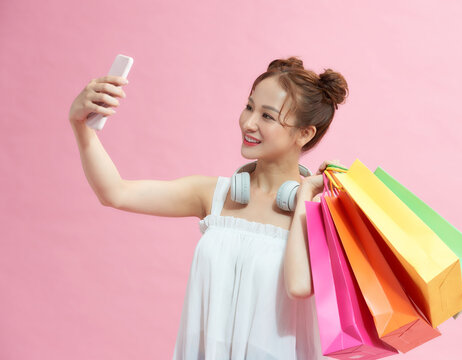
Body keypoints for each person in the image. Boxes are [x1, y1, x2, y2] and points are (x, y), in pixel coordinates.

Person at [68, 56, 349, 359]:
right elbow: (115, 192)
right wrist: (81, 125)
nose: (249, 123)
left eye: (267, 116)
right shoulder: (213, 195)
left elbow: (299, 286)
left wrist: (306, 196)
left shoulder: (319, 214)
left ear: (305, 133)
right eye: (249, 107)